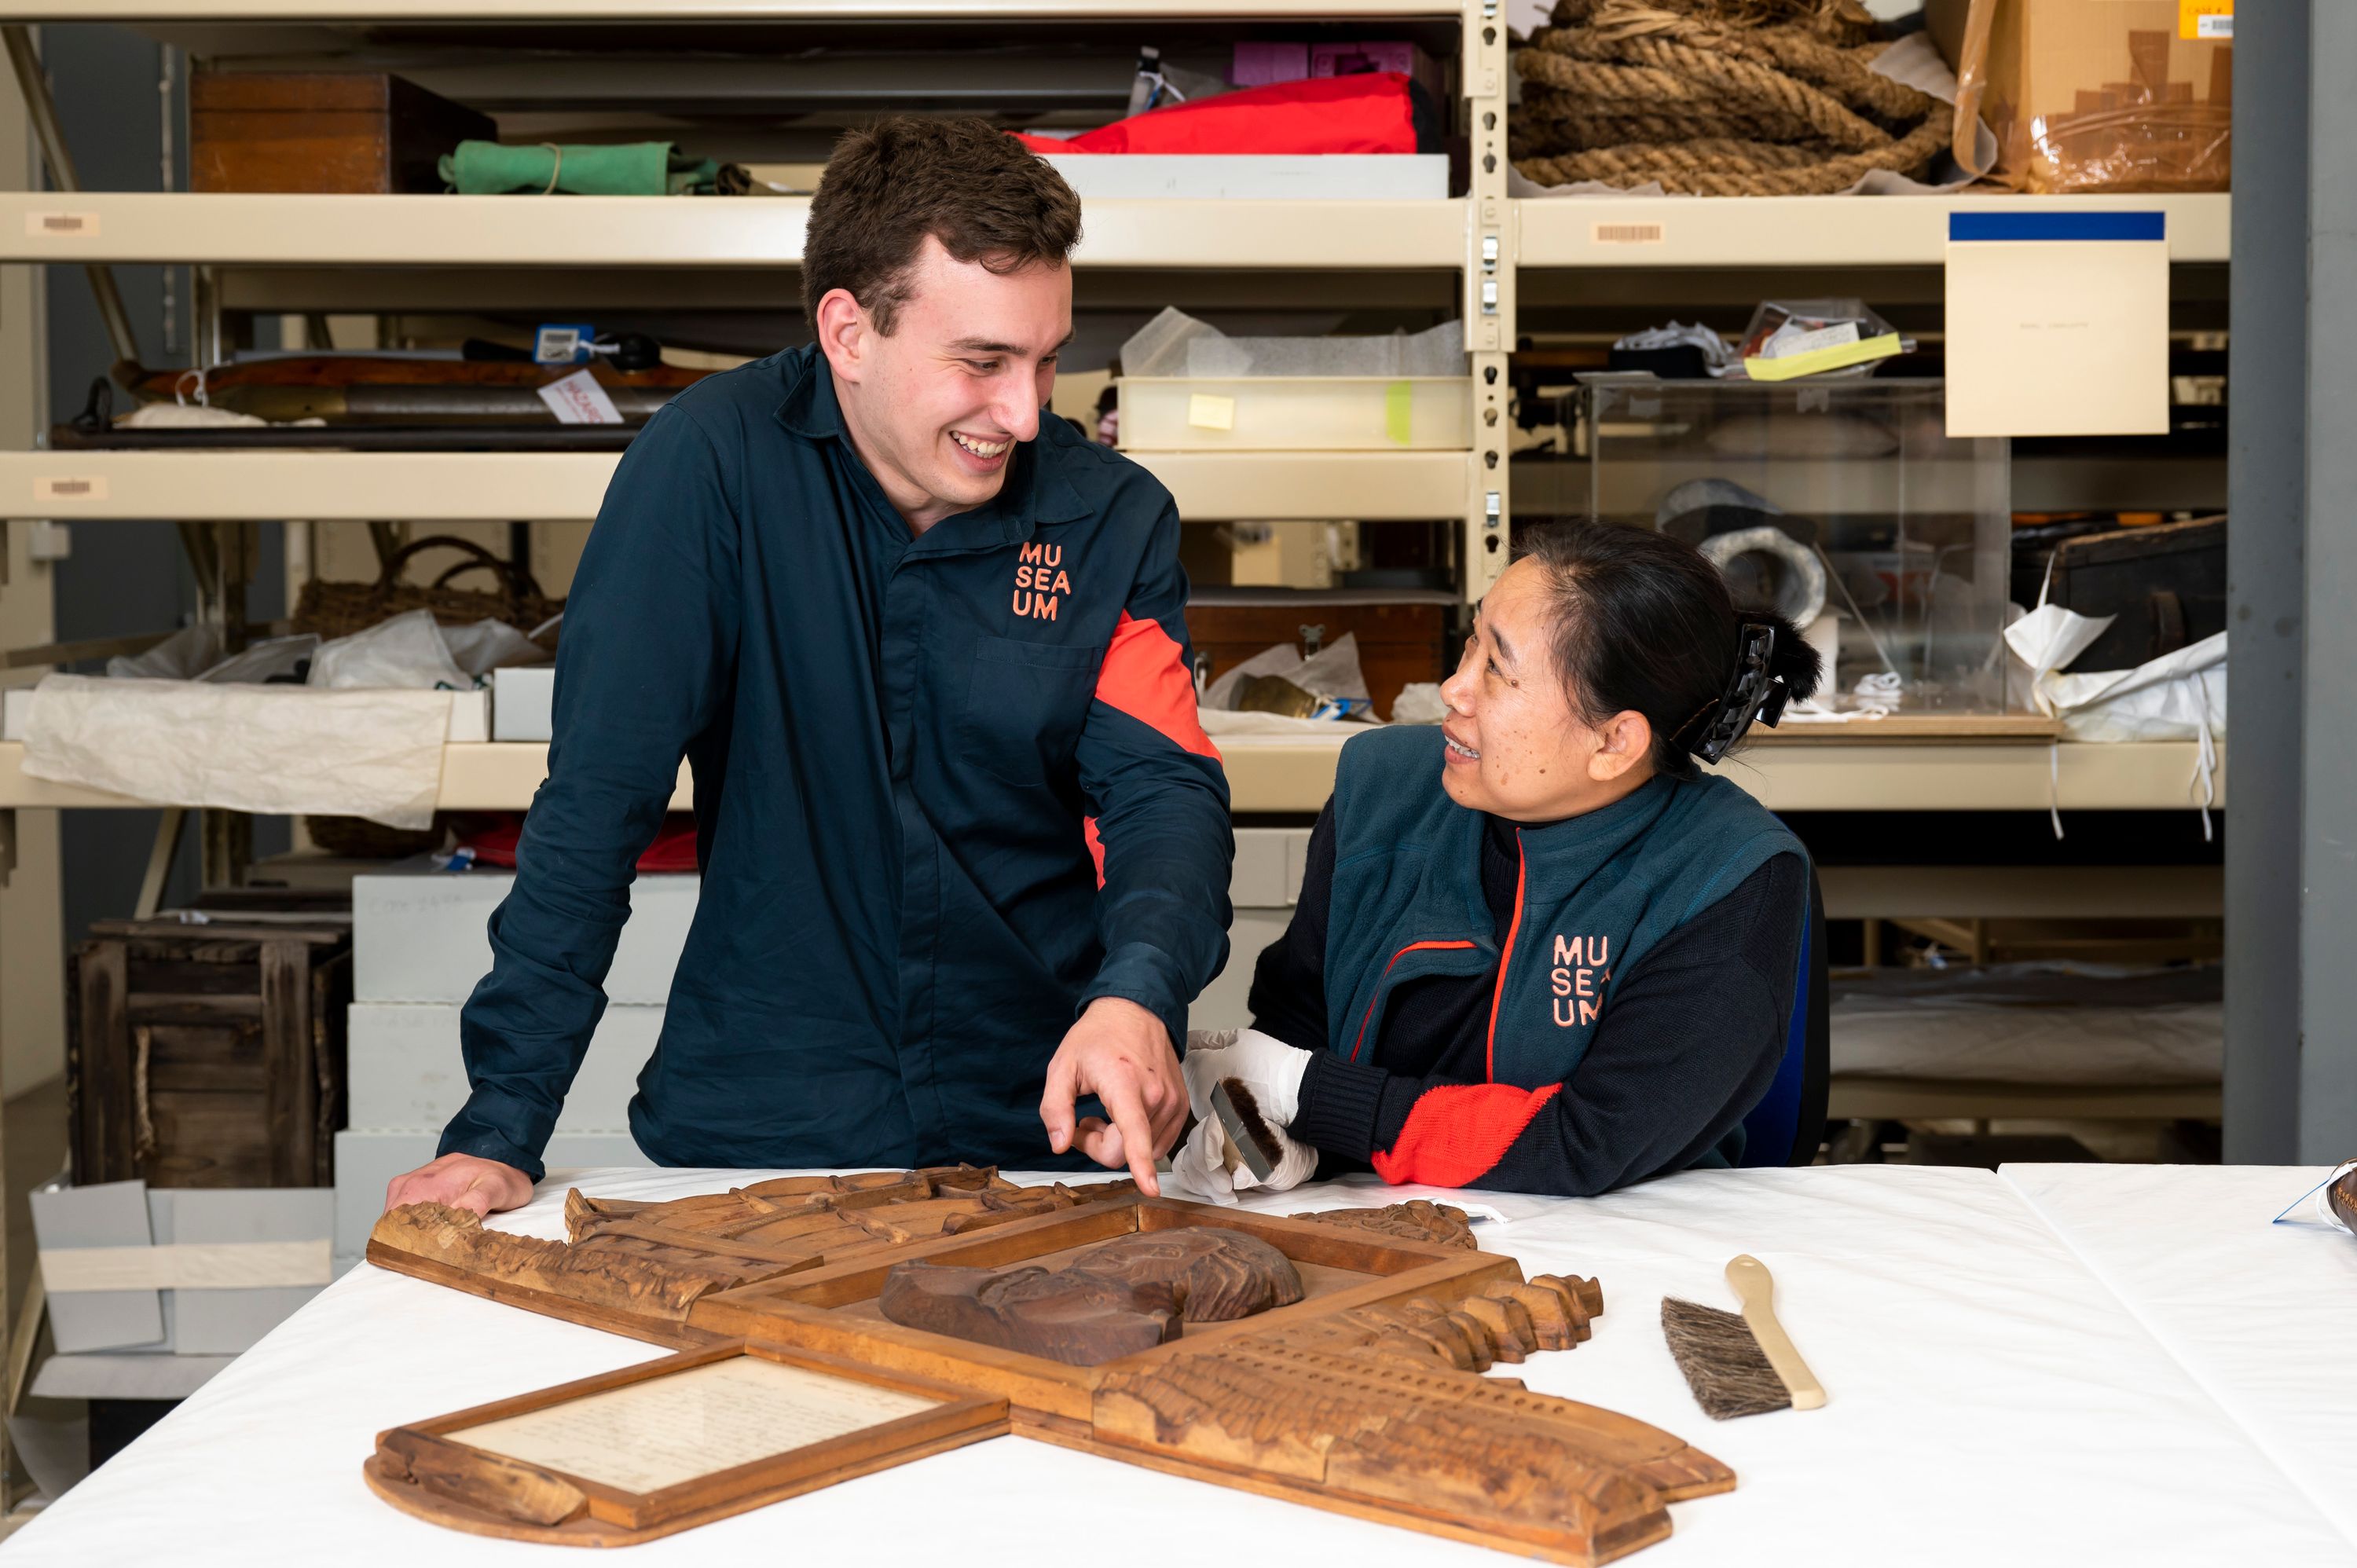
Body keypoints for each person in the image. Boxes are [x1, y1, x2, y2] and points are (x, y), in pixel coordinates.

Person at [385, 119, 1232, 1219]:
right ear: (849, 331)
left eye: (1045, 360)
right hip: (761, 1131)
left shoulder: (1108, 518)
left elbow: (1165, 793)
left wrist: (1138, 998)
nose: (1023, 412)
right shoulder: (707, 472)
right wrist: (500, 1125)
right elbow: (596, 806)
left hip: (1047, 1123)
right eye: (980, 363)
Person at [1173, 521, 1820, 1201]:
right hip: (1376, 1226)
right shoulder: (1384, 786)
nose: (1454, 687)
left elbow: (1588, 1141)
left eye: (1497, 670)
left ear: (1613, 742)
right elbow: (1298, 1022)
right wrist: (1272, 1131)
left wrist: (1309, 1095)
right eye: (1470, 642)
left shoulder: (1730, 875)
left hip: (1622, 1236)